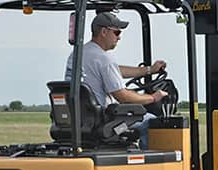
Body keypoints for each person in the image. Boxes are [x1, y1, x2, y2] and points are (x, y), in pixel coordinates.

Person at [65, 12, 168, 149]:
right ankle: (151, 165)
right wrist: (153, 98)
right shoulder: (104, 58)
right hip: (105, 122)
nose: (119, 38)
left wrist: (149, 70)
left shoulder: (79, 54)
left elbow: (116, 71)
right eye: (117, 32)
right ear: (103, 32)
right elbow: (122, 96)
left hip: (82, 121)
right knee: (151, 122)